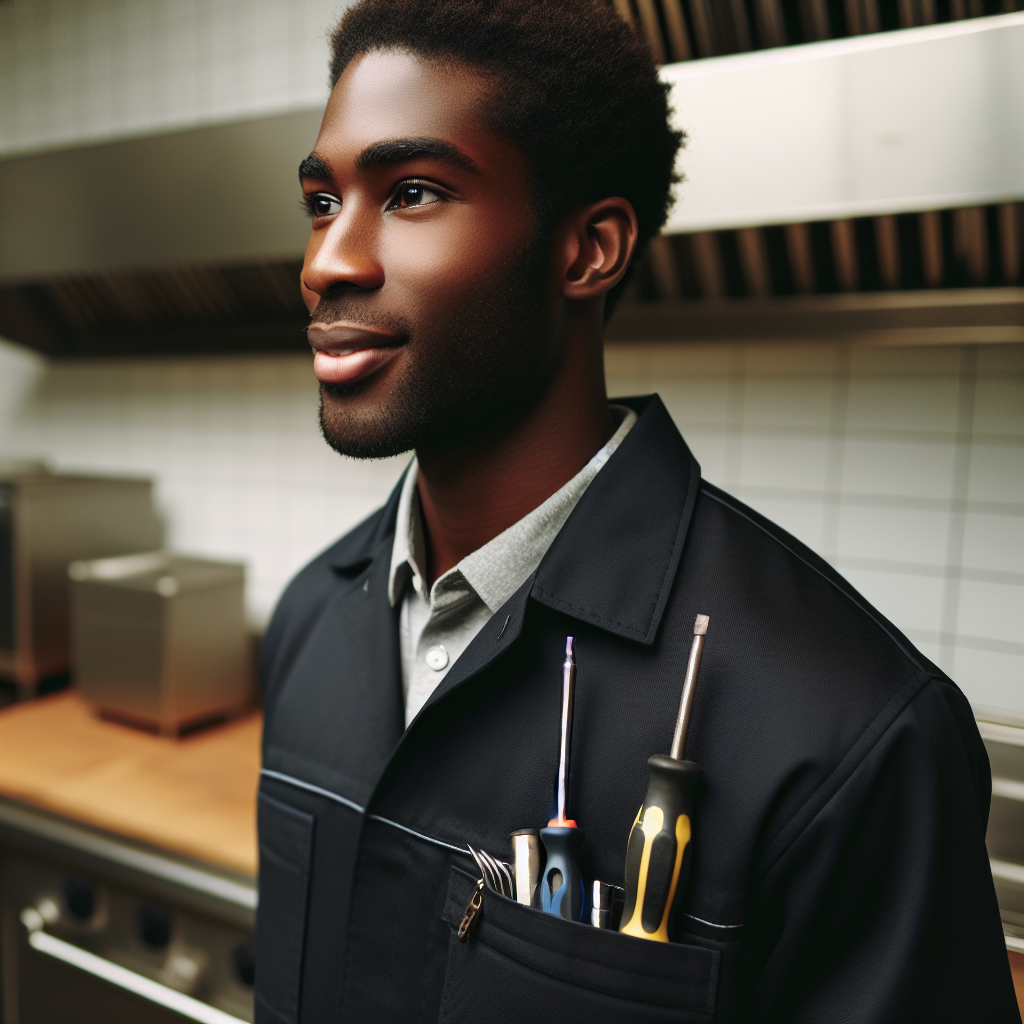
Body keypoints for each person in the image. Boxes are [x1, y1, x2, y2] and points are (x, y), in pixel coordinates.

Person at [255, 1, 1019, 1021]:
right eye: (320, 200)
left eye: (413, 192)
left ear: (588, 251)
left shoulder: (854, 736)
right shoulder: (311, 615)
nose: (326, 262)